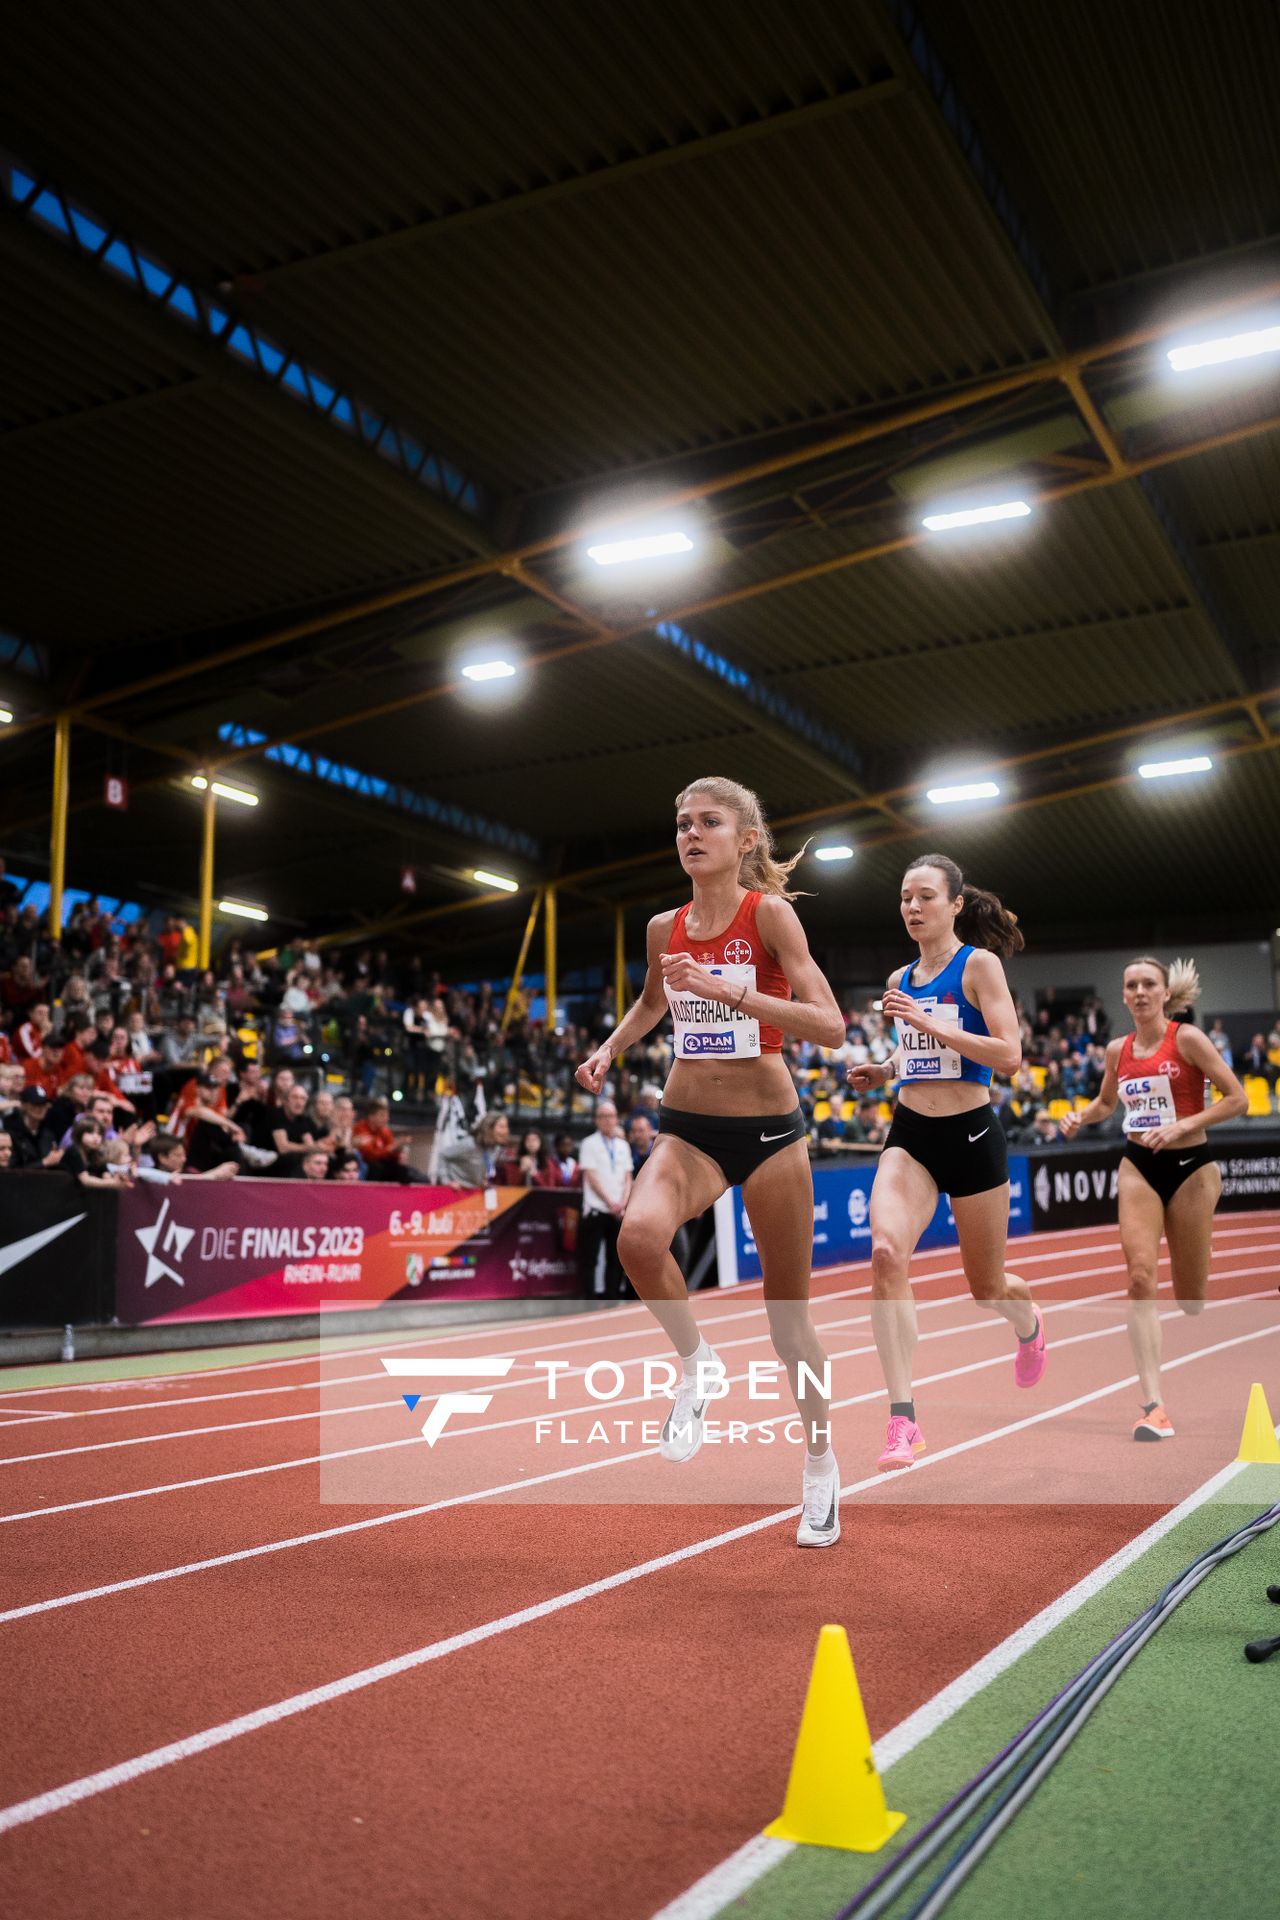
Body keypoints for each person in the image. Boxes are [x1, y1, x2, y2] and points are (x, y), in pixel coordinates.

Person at [576, 776, 846, 1549]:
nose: (691, 834)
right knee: (637, 1237)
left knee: (789, 1330)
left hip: (769, 1136)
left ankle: (821, 1466)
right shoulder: (666, 926)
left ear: (746, 840)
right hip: (688, 1126)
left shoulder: (772, 916)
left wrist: (735, 997)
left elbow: (828, 1024)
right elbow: (653, 1004)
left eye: (709, 823)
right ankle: (698, 1364)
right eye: (682, 823)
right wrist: (609, 1048)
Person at [847, 854, 1046, 1472]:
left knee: (987, 1288)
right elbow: (919, 1053)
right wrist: (884, 1069)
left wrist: (928, 1020)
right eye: (905, 897)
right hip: (910, 1136)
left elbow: (1008, 1056)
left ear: (956, 904)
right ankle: (903, 1421)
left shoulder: (978, 966)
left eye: (926, 897)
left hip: (971, 1136)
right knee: (885, 1254)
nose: (912, 907)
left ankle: (1028, 1322)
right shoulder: (900, 975)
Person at [1060, 957, 1247, 1438]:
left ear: (1165, 993)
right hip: (1138, 1165)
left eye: (1149, 984)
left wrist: (1185, 1123)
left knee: (1190, 1301)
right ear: (1123, 995)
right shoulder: (1116, 1050)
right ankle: (1153, 1405)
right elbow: (1107, 1103)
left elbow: (1237, 1098)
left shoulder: (1187, 1039)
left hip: (1191, 1169)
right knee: (1141, 1277)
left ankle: (1196, 1248)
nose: (1140, 991)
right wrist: (1081, 1116)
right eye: (1131, 985)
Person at [576, 1101, 633, 1298]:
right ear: (597, 1120)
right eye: (603, 1116)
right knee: (589, 1257)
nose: (607, 1120)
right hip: (596, 1209)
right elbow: (591, 1177)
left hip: (618, 1211)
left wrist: (623, 1202)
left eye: (611, 1116)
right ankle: (589, 1298)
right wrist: (610, 1202)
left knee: (615, 1257)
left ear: (617, 1119)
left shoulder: (623, 1146)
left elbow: (628, 1177)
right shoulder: (589, 1143)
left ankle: (612, 1296)